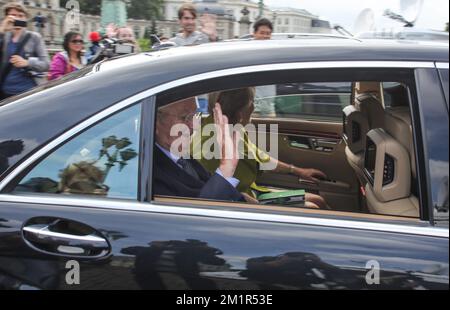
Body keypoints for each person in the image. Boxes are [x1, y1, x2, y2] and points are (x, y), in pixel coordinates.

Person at [193, 88, 328, 209]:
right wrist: (250, 203)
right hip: (240, 203)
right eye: (252, 102)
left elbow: (260, 157)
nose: (254, 106)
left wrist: (297, 171)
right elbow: (210, 191)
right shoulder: (209, 144)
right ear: (240, 112)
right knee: (312, 208)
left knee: (318, 200)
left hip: (253, 194)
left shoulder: (234, 128)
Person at [153, 97, 243, 202]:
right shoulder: (149, 172)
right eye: (184, 117)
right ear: (155, 122)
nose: (194, 126)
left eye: (195, 116)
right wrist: (227, 167)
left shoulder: (182, 158)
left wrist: (243, 199)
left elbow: (205, 187)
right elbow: (198, 213)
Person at [0, 2, 49, 99]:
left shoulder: (34, 37)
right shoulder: (4, 36)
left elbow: (46, 64)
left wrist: (27, 62)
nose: (17, 18)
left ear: (25, 18)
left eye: (21, 15)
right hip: (4, 91)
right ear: (6, 18)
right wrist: (2, 29)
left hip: (28, 92)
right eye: (13, 15)